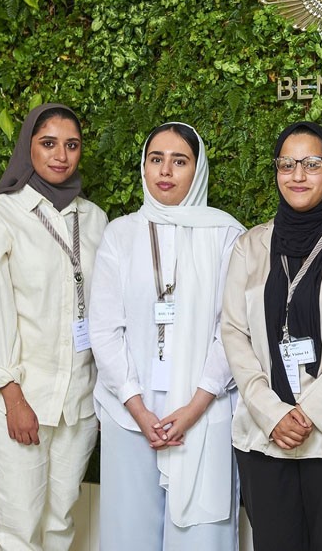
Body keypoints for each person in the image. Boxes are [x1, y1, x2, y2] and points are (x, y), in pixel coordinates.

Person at [89, 122, 244, 549]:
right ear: (144, 166)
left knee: (201, 537)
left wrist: (194, 407)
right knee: (128, 537)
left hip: (203, 412)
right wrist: (137, 407)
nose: (165, 171)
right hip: (129, 415)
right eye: (156, 159)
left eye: (180, 161)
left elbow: (233, 329)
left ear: (198, 169)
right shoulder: (120, 234)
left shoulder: (227, 235)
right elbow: (105, 329)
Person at [0, 103, 107, 550]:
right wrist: (11, 394)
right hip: (22, 395)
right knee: (18, 528)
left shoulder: (95, 219)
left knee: (60, 522)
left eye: (72, 145)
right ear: (29, 146)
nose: (61, 155)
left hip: (79, 400)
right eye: (48, 143)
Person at [222, 122, 322, 551]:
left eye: (311, 164)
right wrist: (271, 413)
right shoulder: (250, 245)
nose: (297, 175)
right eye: (286, 165)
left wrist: (311, 410)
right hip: (264, 437)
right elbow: (234, 332)